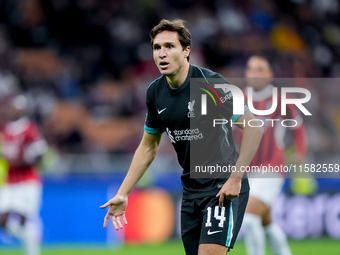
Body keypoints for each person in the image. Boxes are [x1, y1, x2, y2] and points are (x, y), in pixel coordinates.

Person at [100, 19, 263, 255]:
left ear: (186, 51)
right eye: (157, 48)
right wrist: (123, 193)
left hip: (222, 186)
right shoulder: (155, 92)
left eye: (169, 46)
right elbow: (148, 147)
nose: (162, 54)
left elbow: (254, 126)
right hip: (190, 191)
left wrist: (236, 178)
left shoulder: (211, 84)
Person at [241, 55, 307, 255]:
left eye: (260, 69)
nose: (255, 73)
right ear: (246, 74)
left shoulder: (280, 98)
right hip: (249, 169)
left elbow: (298, 127)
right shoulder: (239, 99)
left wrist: (300, 152)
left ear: (270, 75)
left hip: (272, 167)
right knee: (266, 222)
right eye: (251, 69)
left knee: (249, 217)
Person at [0, 94, 47, 255]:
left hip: (27, 182)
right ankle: (31, 236)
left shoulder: (30, 129)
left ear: (23, 110)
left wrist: (19, 161)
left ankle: (32, 251)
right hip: (10, 182)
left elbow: (39, 154)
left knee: (22, 220)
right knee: (3, 220)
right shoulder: (6, 129)